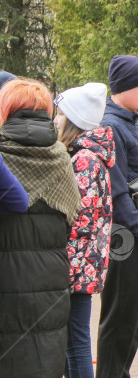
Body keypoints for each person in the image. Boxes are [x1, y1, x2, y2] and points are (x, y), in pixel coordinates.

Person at [0, 79, 82, 376]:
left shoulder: (2, 157)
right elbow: (72, 220)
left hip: (6, 283)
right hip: (50, 284)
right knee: (42, 359)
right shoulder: (61, 158)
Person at [97, 55, 138, 378]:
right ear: (121, 87)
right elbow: (118, 191)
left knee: (135, 319)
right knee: (121, 318)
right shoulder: (112, 126)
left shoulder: (132, 121)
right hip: (125, 237)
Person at [55, 82, 116, 378]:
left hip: (77, 263)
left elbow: (79, 218)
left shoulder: (83, 160)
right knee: (72, 338)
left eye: (60, 115)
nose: (56, 120)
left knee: (76, 339)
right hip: (85, 262)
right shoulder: (89, 156)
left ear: (73, 120)